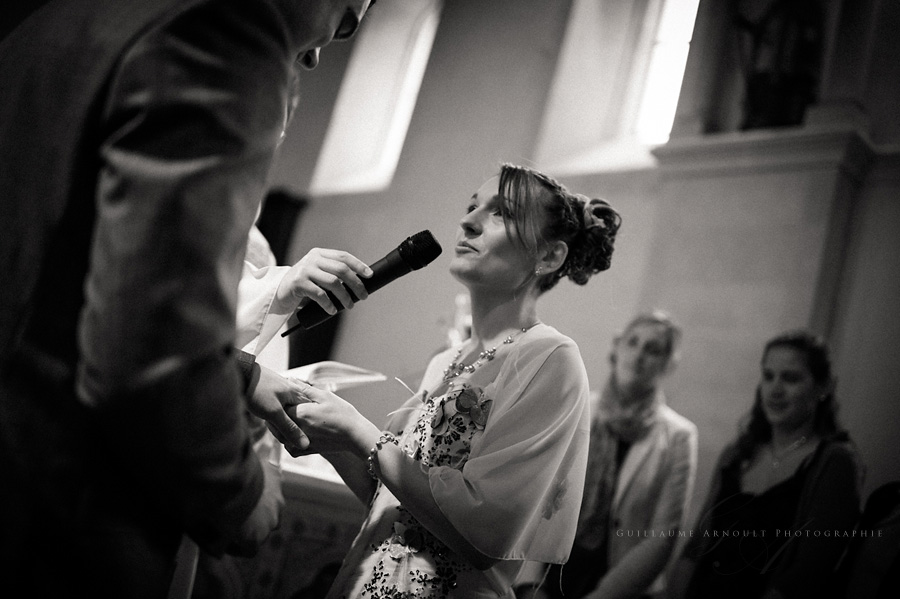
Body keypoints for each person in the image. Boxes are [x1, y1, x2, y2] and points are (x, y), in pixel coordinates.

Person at [0, 1, 377, 597]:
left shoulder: (57, 15)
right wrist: (239, 492)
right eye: (359, 6)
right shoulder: (228, 27)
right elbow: (149, 347)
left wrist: (241, 375)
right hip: (61, 507)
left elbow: (70, 284)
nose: (346, 30)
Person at [287, 163, 623, 598]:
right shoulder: (446, 360)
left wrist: (358, 431)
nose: (468, 221)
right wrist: (331, 438)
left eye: (501, 212)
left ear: (549, 256)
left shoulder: (550, 358)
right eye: (471, 206)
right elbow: (395, 500)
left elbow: (486, 534)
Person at [517, 310, 698, 599]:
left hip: (620, 587)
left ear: (667, 364)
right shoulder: (578, 408)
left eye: (652, 350)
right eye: (633, 342)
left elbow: (663, 536)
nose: (638, 356)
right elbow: (537, 497)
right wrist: (529, 583)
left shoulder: (679, 436)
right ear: (616, 347)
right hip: (549, 578)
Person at [670, 330, 862, 599]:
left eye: (791, 378)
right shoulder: (737, 454)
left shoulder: (834, 462)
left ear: (823, 387)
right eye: (768, 376)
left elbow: (808, 572)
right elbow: (696, 548)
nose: (775, 390)